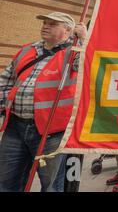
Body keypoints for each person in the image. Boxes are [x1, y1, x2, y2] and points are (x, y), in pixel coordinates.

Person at [0, 12, 86, 192]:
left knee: (52, 186)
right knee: (6, 181)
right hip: (15, 127)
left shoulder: (74, 53)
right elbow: (6, 79)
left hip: (51, 132)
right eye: (45, 23)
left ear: (68, 30)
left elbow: (89, 67)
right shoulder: (28, 50)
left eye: (53, 24)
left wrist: (84, 41)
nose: (45, 26)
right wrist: (4, 102)